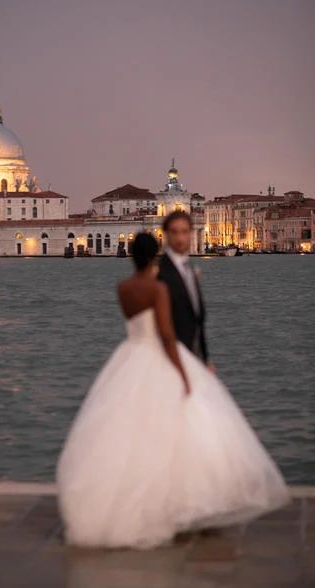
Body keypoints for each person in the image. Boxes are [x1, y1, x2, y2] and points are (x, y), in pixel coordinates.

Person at [56, 232, 289, 549]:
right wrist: (183, 373)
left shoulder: (123, 288)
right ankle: (179, 503)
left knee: (128, 434)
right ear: (155, 256)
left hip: (129, 356)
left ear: (130, 255)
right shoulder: (158, 287)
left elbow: (136, 325)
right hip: (158, 356)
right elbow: (166, 335)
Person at [158, 211, 211, 367]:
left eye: (184, 232)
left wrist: (206, 359)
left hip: (193, 358)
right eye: (174, 232)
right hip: (171, 362)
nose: (180, 238)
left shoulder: (190, 270)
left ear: (190, 234)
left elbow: (197, 320)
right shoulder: (161, 274)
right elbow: (164, 329)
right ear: (166, 235)